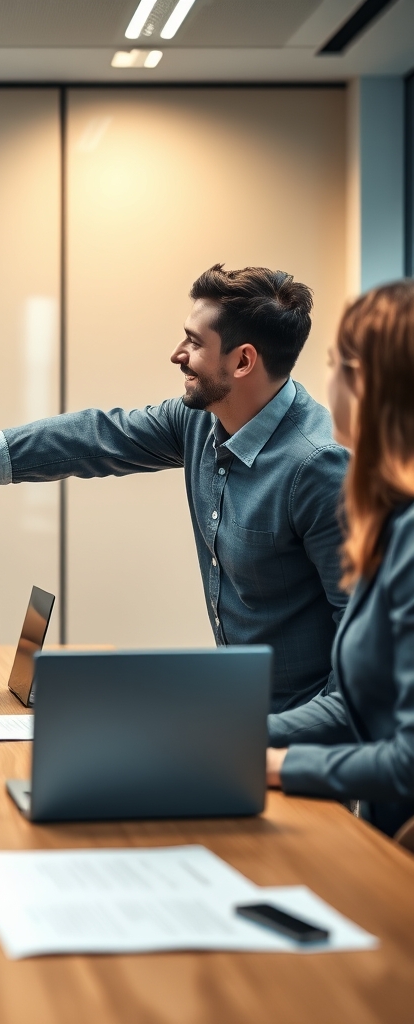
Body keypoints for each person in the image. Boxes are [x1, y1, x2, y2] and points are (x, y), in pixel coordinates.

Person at [0, 265, 349, 713]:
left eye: (193, 342)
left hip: (303, 743)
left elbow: (363, 647)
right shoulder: (200, 421)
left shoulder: (318, 467)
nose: (177, 355)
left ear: (243, 361)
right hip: (239, 713)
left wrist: (294, 749)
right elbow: (97, 437)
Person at [265, 281, 414, 836]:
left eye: (332, 363)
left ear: (366, 382)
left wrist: (277, 764)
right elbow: (358, 709)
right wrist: (231, 735)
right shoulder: (392, 520)